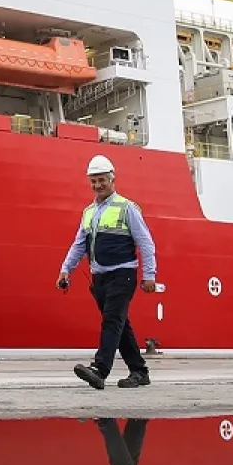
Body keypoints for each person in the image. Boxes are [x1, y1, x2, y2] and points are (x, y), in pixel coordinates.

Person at [58, 154, 157, 389]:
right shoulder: (88, 212)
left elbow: (146, 242)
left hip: (123, 274)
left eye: (102, 180)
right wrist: (65, 269)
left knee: (112, 321)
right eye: (93, 181)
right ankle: (139, 371)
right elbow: (79, 244)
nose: (98, 185)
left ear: (112, 180)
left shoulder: (127, 207)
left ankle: (100, 370)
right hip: (99, 276)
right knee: (120, 324)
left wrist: (149, 275)